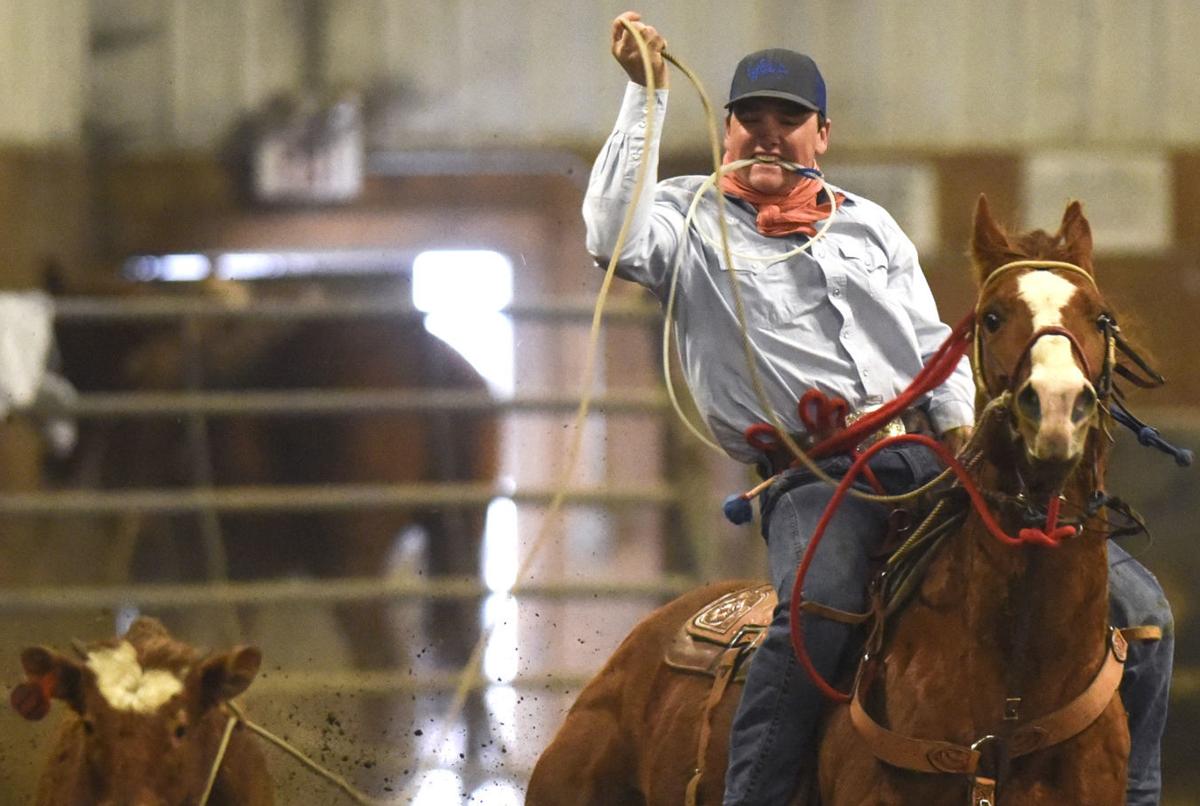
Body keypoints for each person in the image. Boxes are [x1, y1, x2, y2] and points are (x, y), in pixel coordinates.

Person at [585, 11, 1173, 806]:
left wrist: (966, 436)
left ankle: (1131, 791)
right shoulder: (686, 221)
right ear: (726, 130)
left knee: (1141, 612)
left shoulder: (870, 225)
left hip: (936, 462)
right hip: (819, 478)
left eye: (787, 121)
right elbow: (608, 236)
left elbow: (930, 347)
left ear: (819, 134)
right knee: (817, 618)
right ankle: (753, 794)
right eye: (749, 120)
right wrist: (645, 98)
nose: (767, 135)